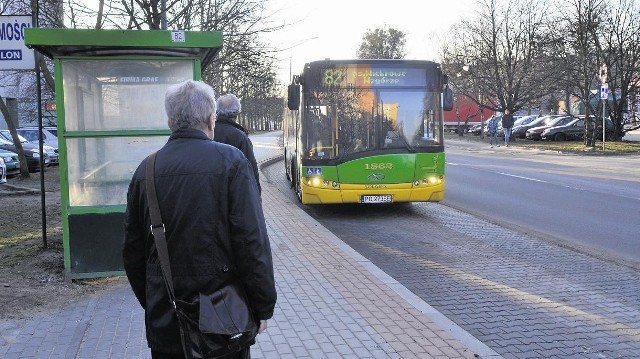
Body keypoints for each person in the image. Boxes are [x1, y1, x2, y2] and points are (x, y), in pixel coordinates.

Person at [123, 80, 276, 359]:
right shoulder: (231, 161)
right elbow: (252, 242)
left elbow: (133, 254)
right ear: (210, 119)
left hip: (166, 319)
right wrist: (262, 306)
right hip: (225, 321)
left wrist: (156, 300)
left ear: (170, 120)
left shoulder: (146, 170)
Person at [214, 94, 261, 193]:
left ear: (217, 111)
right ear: (237, 112)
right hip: (234, 194)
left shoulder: (208, 132)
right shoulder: (240, 137)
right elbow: (251, 171)